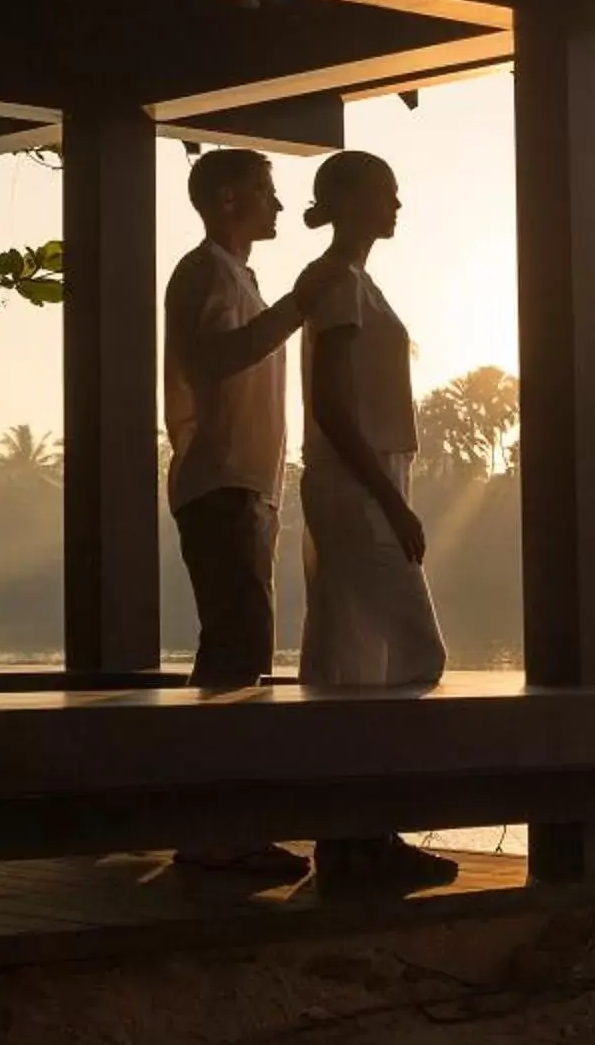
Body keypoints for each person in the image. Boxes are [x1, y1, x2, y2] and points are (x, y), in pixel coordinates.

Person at [294, 150, 459, 893]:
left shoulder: (356, 281)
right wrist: (389, 501)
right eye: (388, 195)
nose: (399, 206)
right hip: (357, 483)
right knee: (411, 655)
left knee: (359, 663)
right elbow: (330, 402)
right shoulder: (336, 282)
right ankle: (361, 834)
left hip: (371, 477)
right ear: (355, 200)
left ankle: (356, 839)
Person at [161, 146, 315, 881]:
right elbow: (216, 361)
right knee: (236, 655)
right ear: (229, 200)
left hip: (244, 485)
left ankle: (217, 826)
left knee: (239, 653)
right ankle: (214, 834)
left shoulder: (236, 276)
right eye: (265, 191)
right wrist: (298, 308)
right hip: (220, 482)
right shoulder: (206, 273)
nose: (279, 205)